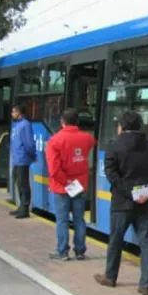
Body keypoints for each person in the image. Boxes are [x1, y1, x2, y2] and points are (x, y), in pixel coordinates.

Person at [94, 111, 148, 295]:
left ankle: (110, 277)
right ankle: (146, 285)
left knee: (116, 240)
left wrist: (131, 193)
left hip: (121, 203)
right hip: (146, 204)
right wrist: (146, 192)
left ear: (122, 127)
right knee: (147, 243)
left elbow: (112, 176)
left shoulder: (114, 147)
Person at [45, 108, 96, 261]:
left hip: (61, 186)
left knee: (62, 220)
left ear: (62, 122)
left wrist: (65, 181)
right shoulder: (87, 138)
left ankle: (62, 251)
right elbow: (93, 144)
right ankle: (80, 251)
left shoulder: (54, 141)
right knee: (79, 219)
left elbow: (54, 169)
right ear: (77, 122)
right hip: (78, 186)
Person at [10, 104, 36, 219]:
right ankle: (21, 206)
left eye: (13, 112)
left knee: (23, 184)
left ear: (19, 112)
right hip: (16, 159)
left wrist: (31, 155)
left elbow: (29, 143)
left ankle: (25, 208)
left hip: (22, 159)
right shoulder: (17, 125)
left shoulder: (25, 124)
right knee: (18, 182)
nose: (12, 114)